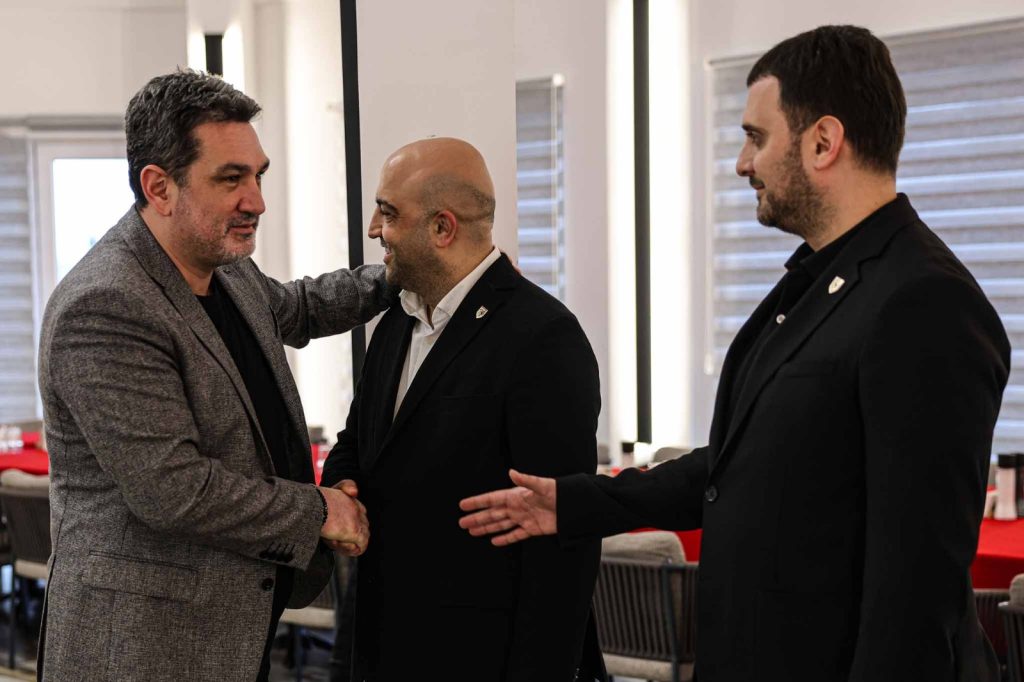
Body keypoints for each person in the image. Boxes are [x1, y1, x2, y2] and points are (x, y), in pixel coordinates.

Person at [459, 25, 1011, 682]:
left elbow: (915, 591)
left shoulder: (924, 302)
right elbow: (735, 469)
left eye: (756, 137)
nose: (743, 163)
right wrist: (576, 505)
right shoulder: (812, 285)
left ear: (823, 142)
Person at [36, 70, 392, 681]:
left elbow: (299, 307)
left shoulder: (223, 267)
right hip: (143, 648)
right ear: (159, 187)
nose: (256, 201)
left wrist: (400, 275)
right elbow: (175, 491)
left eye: (258, 176)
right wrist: (319, 510)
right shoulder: (106, 304)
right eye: (231, 179)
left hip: (226, 626)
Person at [319, 137, 605, 681]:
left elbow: (563, 541)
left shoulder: (543, 336)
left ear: (442, 228)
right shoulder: (396, 323)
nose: (375, 230)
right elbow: (358, 440)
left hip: (481, 657)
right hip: (385, 645)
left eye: (388, 213)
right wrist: (343, 484)